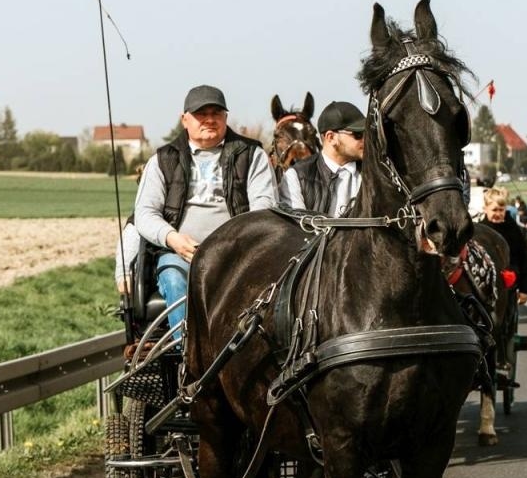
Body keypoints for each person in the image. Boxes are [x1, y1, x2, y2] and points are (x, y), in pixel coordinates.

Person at [134, 85, 279, 339]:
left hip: (238, 255)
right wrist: (172, 238)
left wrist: (236, 244)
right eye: (201, 114)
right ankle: (188, 354)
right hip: (180, 255)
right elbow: (145, 213)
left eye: (216, 113)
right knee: (174, 278)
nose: (209, 119)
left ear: (225, 117)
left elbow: (264, 207)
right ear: (185, 119)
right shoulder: (163, 159)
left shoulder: (251, 154)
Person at [282, 101, 366, 215]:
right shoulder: (296, 177)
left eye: (367, 133)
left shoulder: (377, 172)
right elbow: (296, 225)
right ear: (331, 138)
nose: (365, 139)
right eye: (358, 134)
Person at [479, 187, 527, 302]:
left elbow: (525, 259)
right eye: (494, 210)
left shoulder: (513, 230)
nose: (498, 214)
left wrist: (525, 289)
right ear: (485, 209)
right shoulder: (479, 231)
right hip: (484, 290)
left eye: (501, 210)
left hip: (509, 289)